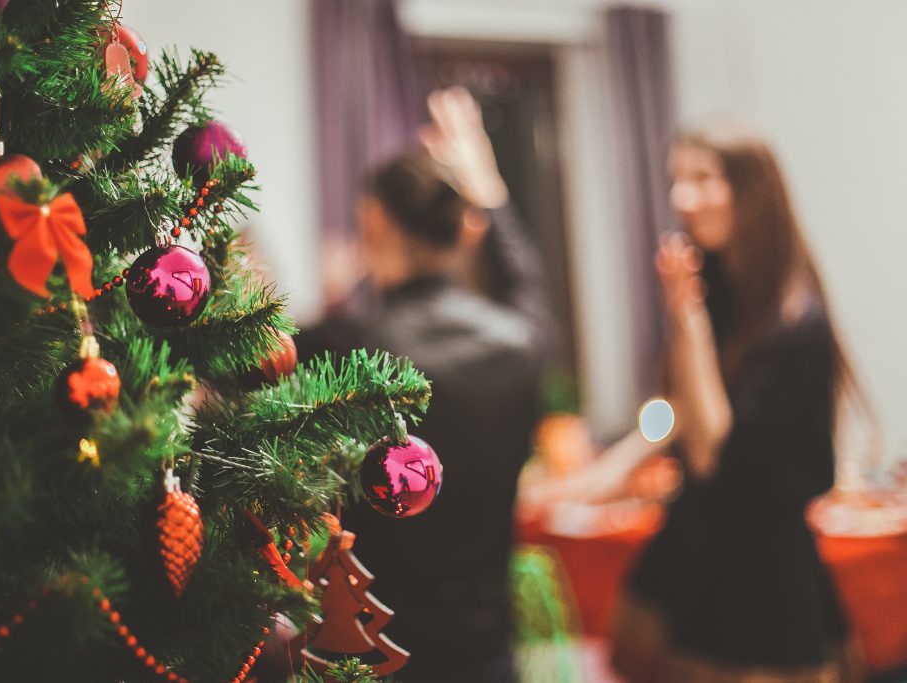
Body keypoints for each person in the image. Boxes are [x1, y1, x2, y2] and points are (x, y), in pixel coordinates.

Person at [562, 121, 861, 682]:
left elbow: (710, 451)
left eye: (702, 178)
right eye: (677, 179)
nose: (681, 198)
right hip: (699, 556)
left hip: (762, 586)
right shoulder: (722, 291)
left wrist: (688, 319)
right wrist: (609, 470)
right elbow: (678, 408)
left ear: (752, 191)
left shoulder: (797, 326)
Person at [298, 87, 557, 682]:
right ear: (465, 230)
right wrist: (489, 192)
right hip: (486, 646)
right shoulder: (522, 341)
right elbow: (526, 282)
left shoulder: (345, 345)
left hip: (376, 645)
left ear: (375, 221)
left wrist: (335, 301)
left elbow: (241, 363)